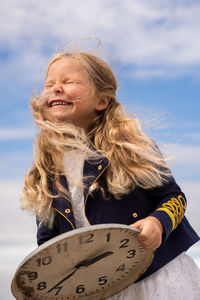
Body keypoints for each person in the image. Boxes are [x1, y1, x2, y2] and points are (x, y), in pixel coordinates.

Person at [21, 50, 200, 299]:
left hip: (155, 280)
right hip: (95, 290)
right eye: (49, 84)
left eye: (68, 81)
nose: (56, 88)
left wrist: (157, 223)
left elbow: (174, 197)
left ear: (101, 101)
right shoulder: (45, 170)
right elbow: (48, 245)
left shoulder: (129, 146)